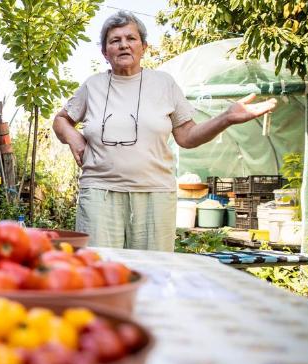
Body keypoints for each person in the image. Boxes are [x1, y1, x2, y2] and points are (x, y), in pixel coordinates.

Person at [52, 11, 276, 251]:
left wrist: (227, 118)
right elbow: (61, 120)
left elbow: (187, 136)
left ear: (144, 47)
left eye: (131, 38)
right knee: (98, 266)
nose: (123, 45)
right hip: (99, 193)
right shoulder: (92, 85)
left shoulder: (164, 84)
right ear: (105, 53)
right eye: (115, 40)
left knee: (154, 270)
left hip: (155, 194)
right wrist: (72, 136)